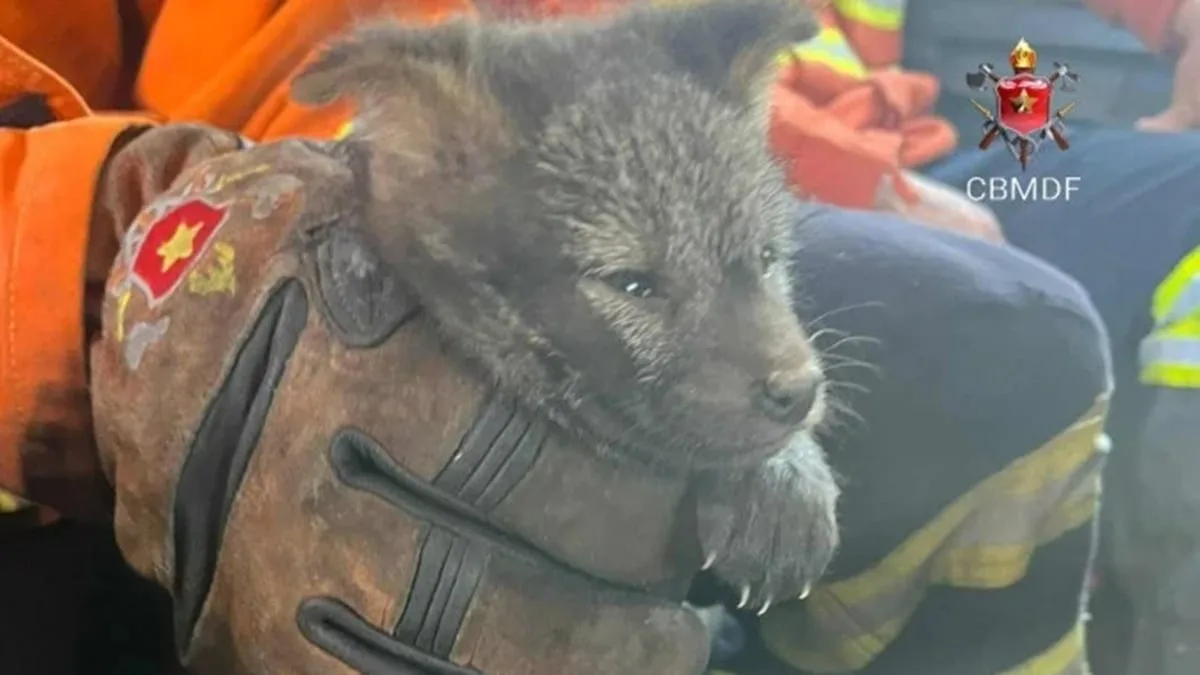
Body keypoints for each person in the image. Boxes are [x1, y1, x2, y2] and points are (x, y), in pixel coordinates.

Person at [0, 1, 1112, 674]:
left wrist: (833, 163)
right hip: (140, 253)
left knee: (1018, 346)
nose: (793, 373)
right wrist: (112, 248)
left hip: (543, 155)